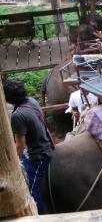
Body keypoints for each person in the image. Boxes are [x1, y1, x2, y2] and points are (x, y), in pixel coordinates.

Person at [4, 79, 54, 214]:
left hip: (39, 154)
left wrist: (12, 164)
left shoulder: (17, 115)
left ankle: (41, 216)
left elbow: (20, 146)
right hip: (46, 142)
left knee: (32, 192)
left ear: (8, 97)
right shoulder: (32, 101)